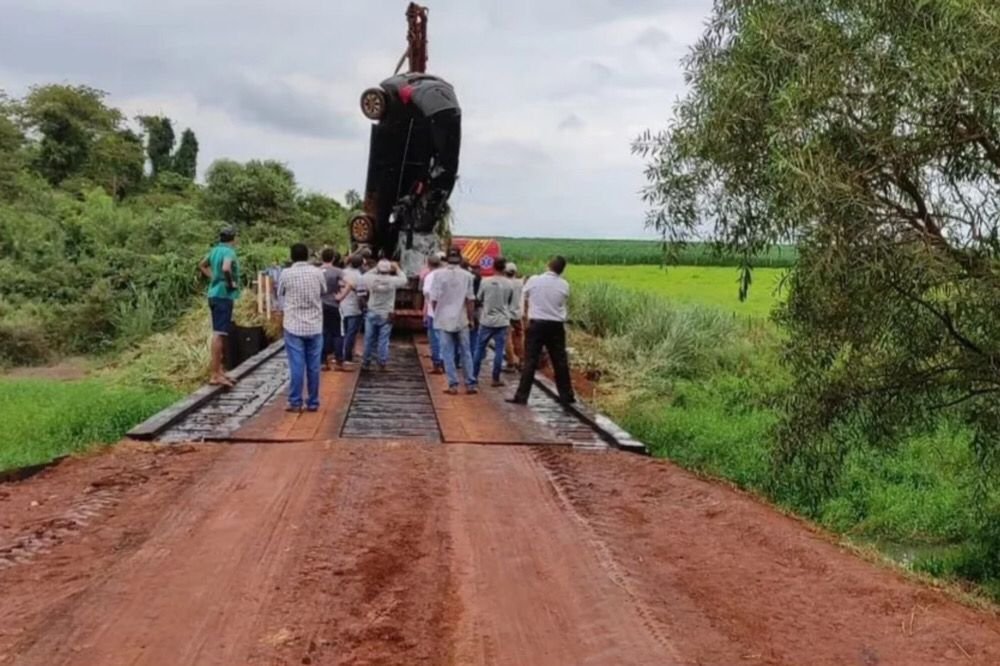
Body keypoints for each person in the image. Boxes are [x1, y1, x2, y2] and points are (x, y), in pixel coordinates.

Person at [508, 256, 575, 406]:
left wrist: (524, 316)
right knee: (560, 361)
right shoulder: (564, 285)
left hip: (537, 324)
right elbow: (562, 301)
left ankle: (522, 396)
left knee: (530, 360)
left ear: (548, 265)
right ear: (562, 270)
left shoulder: (534, 280)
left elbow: (524, 295)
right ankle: (567, 396)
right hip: (556, 326)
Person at [279, 243, 327, 412]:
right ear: (307, 256)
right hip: (314, 325)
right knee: (314, 366)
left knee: (297, 365)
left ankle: (295, 402)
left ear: (291, 256)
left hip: (293, 325)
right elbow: (323, 291)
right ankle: (313, 402)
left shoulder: (286, 274)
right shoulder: (318, 272)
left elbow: (281, 294)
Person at [431, 247, 478, 395]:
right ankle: (470, 383)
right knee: (466, 352)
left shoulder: (438, 275)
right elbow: (470, 300)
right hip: (462, 318)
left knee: (447, 353)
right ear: (460, 258)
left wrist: (438, 313)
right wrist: (471, 319)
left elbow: (434, 299)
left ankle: (453, 385)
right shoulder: (468, 276)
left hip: (444, 319)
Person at [198, 226, 240, 387]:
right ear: (233, 238)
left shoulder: (215, 250)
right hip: (223, 295)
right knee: (219, 333)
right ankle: (215, 374)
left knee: (221, 332)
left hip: (213, 293)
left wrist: (214, 278)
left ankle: (220, 370)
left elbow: (202, 264)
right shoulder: (229, 252)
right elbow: (226, 268)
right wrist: (230, 284)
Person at [472, 257, 514, 387]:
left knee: (479, 349)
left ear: (493, 267)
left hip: (486, 320)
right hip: (502, 321)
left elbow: (478, 298)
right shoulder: (509, 283)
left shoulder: (485, 282)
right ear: (504, 268)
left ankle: (474, 376)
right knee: (499, 350)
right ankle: (495, 378)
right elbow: (509, 301)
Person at [361, 259, 408, 370]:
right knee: (384, 340)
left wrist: (376, 268)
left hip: (372, 312)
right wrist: (397, 268)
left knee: (368, 339)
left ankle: (366, 362)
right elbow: (404, 280)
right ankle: (382, 362)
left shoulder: (371, 279)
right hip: (386, 314)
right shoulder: (393, 281)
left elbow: (364, 276)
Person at [320, 248, 348, 372]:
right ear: (333, 258)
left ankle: (323, 361)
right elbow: (351, 283)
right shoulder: (337, 271)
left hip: (319, 305)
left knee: (323, 332)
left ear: (321, 258)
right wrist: (341, 296)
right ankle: (339, 360)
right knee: (337, 333)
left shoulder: (317, 271)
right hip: (333, 304)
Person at [420, 252, 445, 374]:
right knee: (445, 338)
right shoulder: (446, 274)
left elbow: (427, 294)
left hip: (433, 312)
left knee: (435, 338)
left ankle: (437, 363)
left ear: (428, 264)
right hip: (447, 312)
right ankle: (446, 361)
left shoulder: (430, 277)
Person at [339, 254, 365, 363]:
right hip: (354, 307)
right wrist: (363, 306)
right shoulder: (359, 277)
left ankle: (340, 353)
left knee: (343, 332)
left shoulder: (342, 272)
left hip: (342, 305)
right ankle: (348, 356)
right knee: (351, 333)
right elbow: (361, 295)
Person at [504, 262, 525, 373]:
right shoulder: (519, 283)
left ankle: (511, 362)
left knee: (507, 339)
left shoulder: (504, 284)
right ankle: (521, 361)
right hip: (517, 314)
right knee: (519, 337)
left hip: (506, 315)